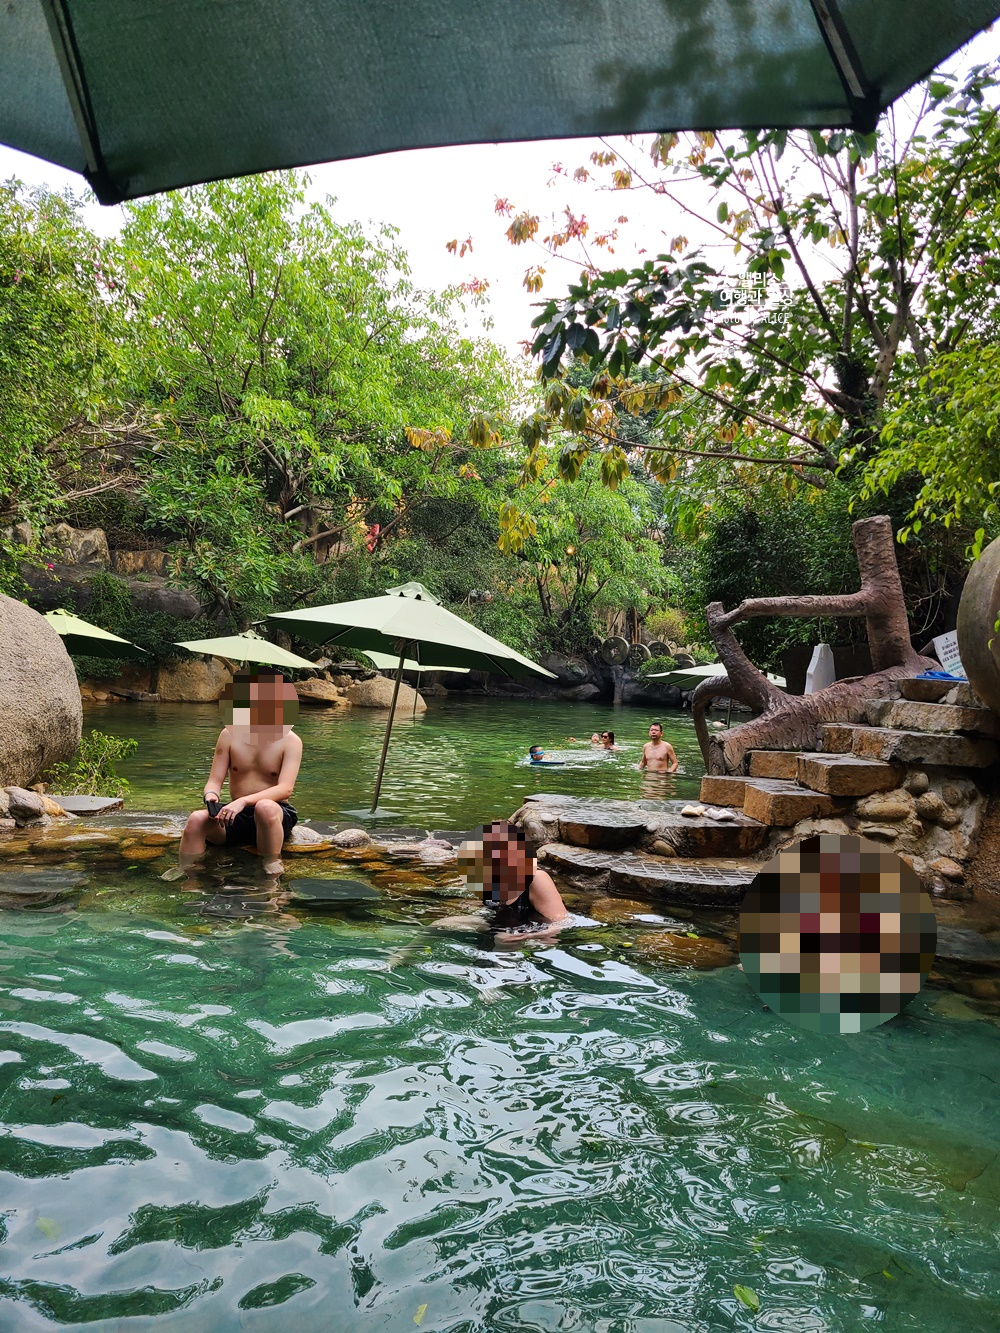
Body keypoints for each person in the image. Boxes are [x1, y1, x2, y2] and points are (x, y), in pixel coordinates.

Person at [177, 670, 303, 877]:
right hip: (236, 815)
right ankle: (188, 874)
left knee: (264, 807)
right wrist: (211, 796)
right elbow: (214, 781)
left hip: (275, 814)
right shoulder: (229, 735)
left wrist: (243, 801)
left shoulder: (291, 741)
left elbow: (285, 789)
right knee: (196, 819)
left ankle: (271, 862)